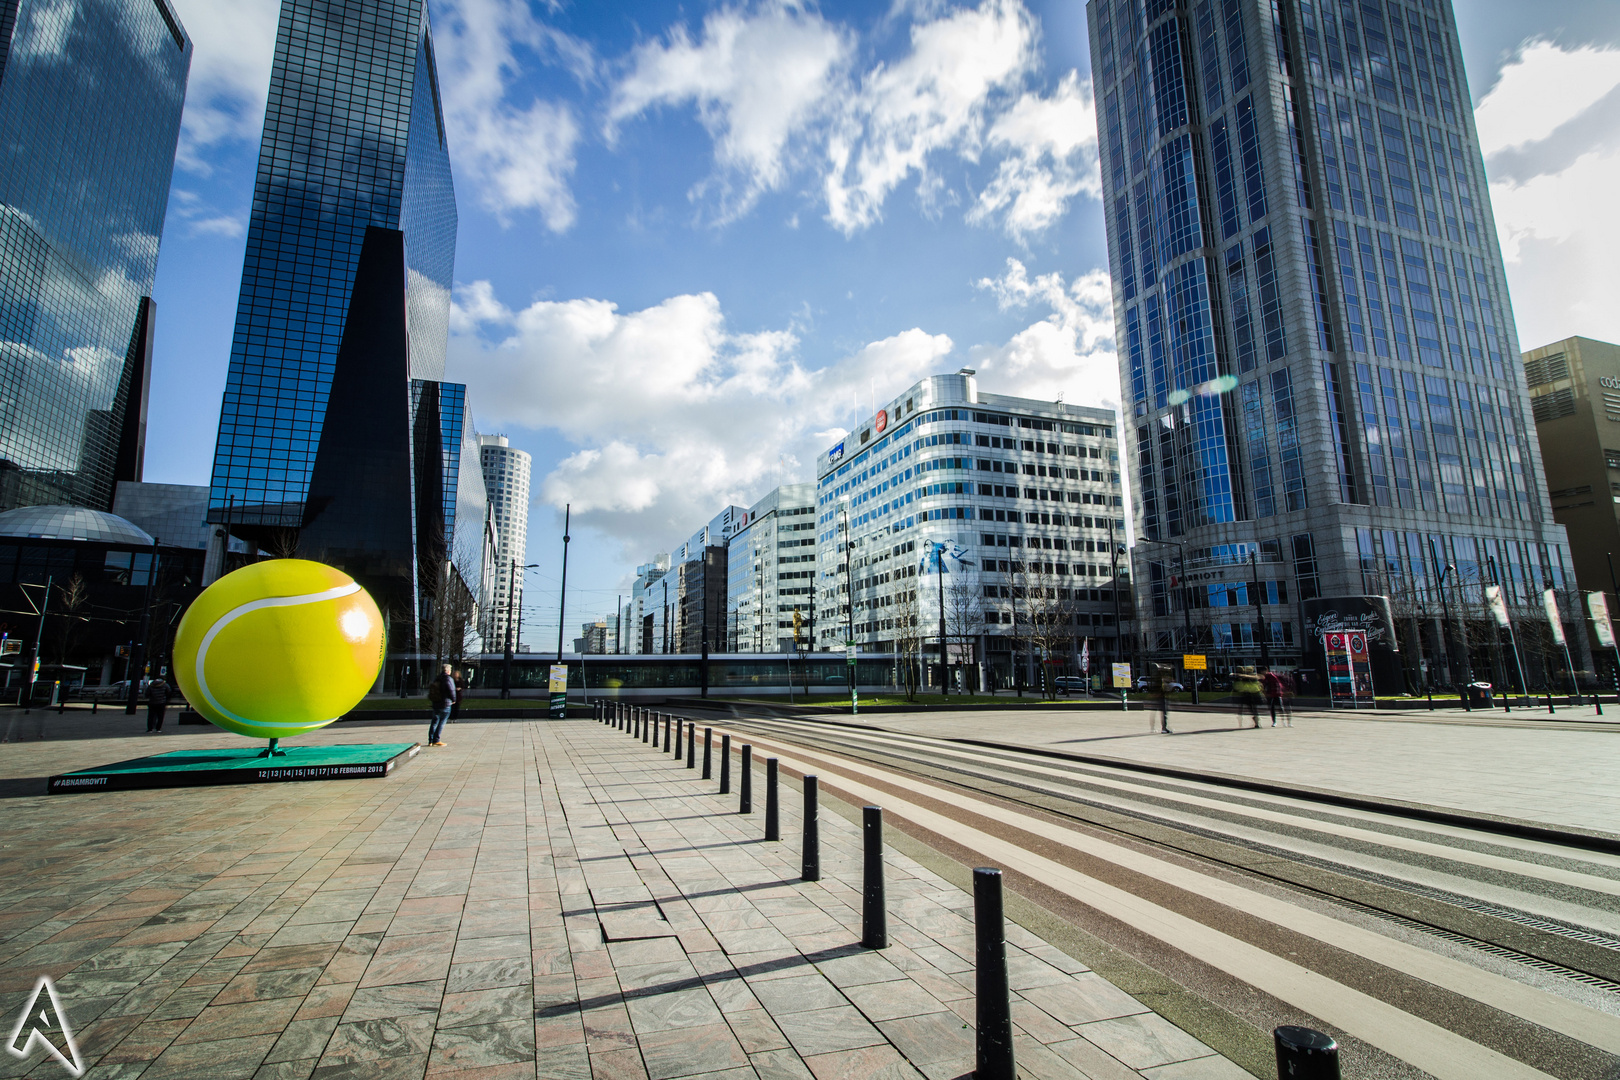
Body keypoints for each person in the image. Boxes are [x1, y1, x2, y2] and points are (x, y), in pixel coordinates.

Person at [426, 664, 455, 747]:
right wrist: (454, 700)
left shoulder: (437, 678)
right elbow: (451, 690)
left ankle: (430, 740)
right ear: (448, 671)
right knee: (442, 722)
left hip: (436, 702)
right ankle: (436, 740)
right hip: (445, 703)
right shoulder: (448, 679)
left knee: (434, 721)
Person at [1153, 664, 1173, 734]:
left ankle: (1155, 727)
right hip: (1162, 696)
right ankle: (1163, 728)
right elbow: (1162, 687)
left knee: (1159, 712)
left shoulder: (1159, 678)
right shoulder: (1161, 679)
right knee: (1164, 713)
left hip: (1160, 696)